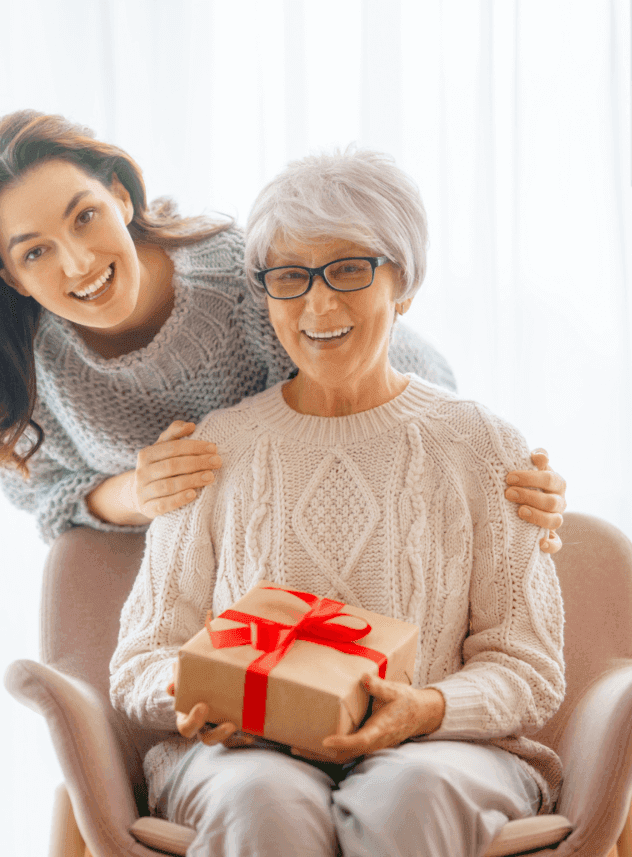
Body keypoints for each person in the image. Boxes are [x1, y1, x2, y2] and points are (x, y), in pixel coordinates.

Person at [109, 148, 565, 857]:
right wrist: (203, 693)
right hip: (244, 758)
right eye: (289, 276)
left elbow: (530, 668)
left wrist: (425, 708)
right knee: (262, 800)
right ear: (265, 292)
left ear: (403, 284)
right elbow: (141, 658)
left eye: (349, 269)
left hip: (439, 751)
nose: (318, 303)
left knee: (409, 792)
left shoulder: (485, 446)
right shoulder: (215, 448)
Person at [0, 110, 566, 547]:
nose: (78, 262)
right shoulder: (28, 363)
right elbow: (42, 492)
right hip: (197, 575)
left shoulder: (241, 282)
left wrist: (489, 472)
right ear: (10, 276)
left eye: (84, 217)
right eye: (34, 251)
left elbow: (382, 386)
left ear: (121, 196)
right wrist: (135, 492)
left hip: (338, 513)